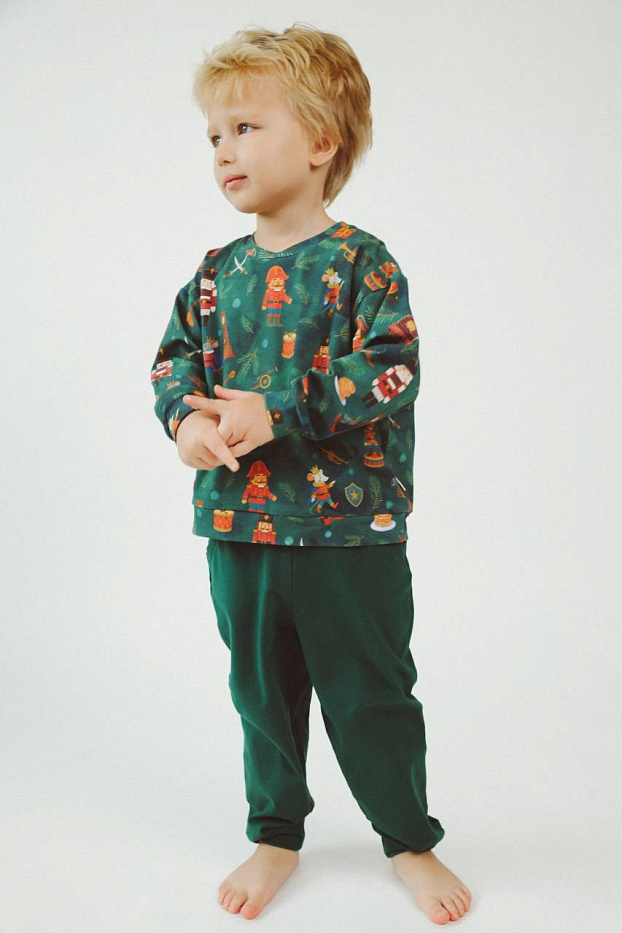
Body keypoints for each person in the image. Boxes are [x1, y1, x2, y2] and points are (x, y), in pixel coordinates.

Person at [150, 22, 472, 924]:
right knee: (259, 692)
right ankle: (276, 832)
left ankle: (408, 836)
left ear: (321, 142)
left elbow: (393, 368)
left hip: (349, 533)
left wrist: (281, 407)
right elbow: (173, 363)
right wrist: (185, 422)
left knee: (371, 692)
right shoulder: (212, 276)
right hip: (239, 528)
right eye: (214, 135)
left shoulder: (362, 263)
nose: (223, 150)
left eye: (245, 128)